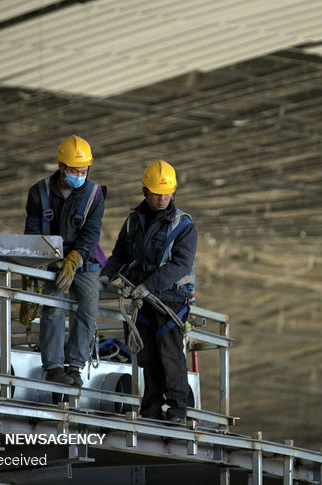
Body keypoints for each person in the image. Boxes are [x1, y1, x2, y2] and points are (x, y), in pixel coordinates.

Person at [101, 160, 196, 424]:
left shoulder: (183, 225)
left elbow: (180, 264)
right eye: (156, 192)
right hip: (141, 299)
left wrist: (148, 286)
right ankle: (152, 408)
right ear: (145, 191)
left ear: (174, 191)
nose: (162, 197)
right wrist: (107, 275)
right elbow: (120, 253)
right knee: (148, 356)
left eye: (167, 192)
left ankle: (178, 410)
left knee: (170, 356)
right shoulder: (134, 222)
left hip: (170, 299)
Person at [24, 135, 105, 387]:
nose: (80, 175)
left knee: (89, 307)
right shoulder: (39, 193)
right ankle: (54, 367)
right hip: (50, 256)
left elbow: (91, 233)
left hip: (83, 257)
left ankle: (75, 365)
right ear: (61, 167)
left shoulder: (94, 194)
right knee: (53, 306)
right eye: (75, 171)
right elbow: (33, 234)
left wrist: (74, 259)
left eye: (84, 170)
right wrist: (53, 261)